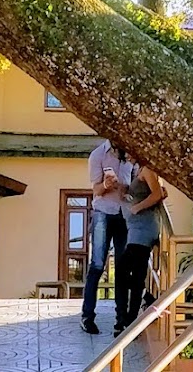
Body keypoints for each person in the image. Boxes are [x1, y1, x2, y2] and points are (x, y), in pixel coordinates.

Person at [81, 140, 129, 335]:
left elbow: (132, 186)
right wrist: (106, 185)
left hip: (124, 214)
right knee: (98, 265)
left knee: (122, 268)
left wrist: (124, 189)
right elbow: (96, 190)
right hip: (103, 212)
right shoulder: (98, 155)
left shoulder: (130, 155)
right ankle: (87, 316)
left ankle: (121, 320)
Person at [114, 161, 166, 335]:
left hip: (144, 228)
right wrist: (125, 191)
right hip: (136, 229)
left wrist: (137, 208)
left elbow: (157, 193)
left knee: (125, 269)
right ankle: (130, 319)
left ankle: (131, 319)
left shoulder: (148, 170)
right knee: (135, 273)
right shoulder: (138, 170)